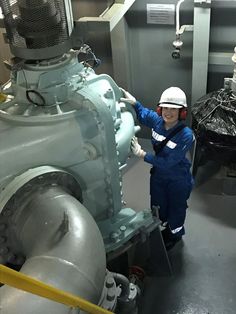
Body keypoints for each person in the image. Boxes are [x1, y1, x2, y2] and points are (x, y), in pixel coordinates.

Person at [121, 87, 195, 250]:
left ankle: (175, 234)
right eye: (165, 108)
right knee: (158, 204)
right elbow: (144, 114)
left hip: (178, 180)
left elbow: (169, 162)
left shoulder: (186, 136)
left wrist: (142, 154)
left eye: (173, 109)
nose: (168, 112)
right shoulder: (157, 121)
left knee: (176, 209)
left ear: (181, 112)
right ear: (160, 109)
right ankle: (162, 224)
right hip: (159, 176)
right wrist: (135, 103)